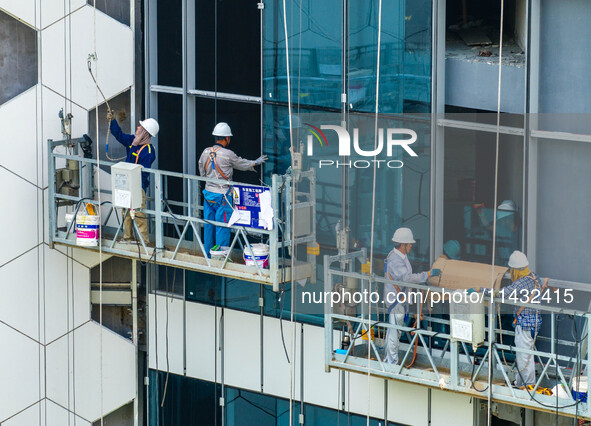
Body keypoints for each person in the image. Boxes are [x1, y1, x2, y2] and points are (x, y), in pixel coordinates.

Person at [469, 250, 542, 387]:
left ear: (515, 269)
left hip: (525, 325)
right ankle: (521, 382)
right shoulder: (534, 277)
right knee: (526, 356)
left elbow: (502, 294)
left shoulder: (521, 283)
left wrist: (480, 289)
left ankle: (527, 385)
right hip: (534, 323)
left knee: (524, 356)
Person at [198, 122, 267, 257]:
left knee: (209, 224)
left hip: (208, 194)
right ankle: (220, 257)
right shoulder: (228, 154)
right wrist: (255, 162)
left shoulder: (205, 151)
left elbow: (202, 172)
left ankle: (208, 254)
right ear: (227, 138)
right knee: (222, 225)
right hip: (223, 195)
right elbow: (241, 164)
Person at [384, 227, 441, 365]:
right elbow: (407, 278)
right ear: (402, 245)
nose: (411, 246)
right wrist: (426, 274)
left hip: (399, 301)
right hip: (396, 302)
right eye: (409, 244)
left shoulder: (399, 256)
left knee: (393, 332)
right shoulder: (396, 260)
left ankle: (389, 360)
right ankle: (391, 363)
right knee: (394, 334)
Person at [108, 111, 158, 244]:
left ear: (145, 132)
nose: (137, 129)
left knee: (139, 212)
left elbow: (140, 170)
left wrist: (133, 148)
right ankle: (127, 237)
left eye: (140, 128)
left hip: (138, 185)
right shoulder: (132, 141)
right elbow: (119, 135)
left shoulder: (148, 150)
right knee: (126, 210)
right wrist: (112, 121)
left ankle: (144, 241)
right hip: (127, 183)